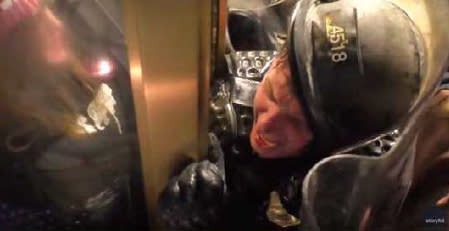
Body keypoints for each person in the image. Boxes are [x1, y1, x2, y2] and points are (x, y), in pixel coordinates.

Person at [157, 0, 449, 230]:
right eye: (271, 92)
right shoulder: (231, 94)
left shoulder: (356, 192)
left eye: (295, 122)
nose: (267, 126)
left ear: (336, 143)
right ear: (274, 65)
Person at [0, 0, 137, 230]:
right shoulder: (21, 140)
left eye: (50, 14)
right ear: (18, 55)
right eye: (40, 27)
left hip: (136, 193)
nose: (57, 24)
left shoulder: (82, 67)